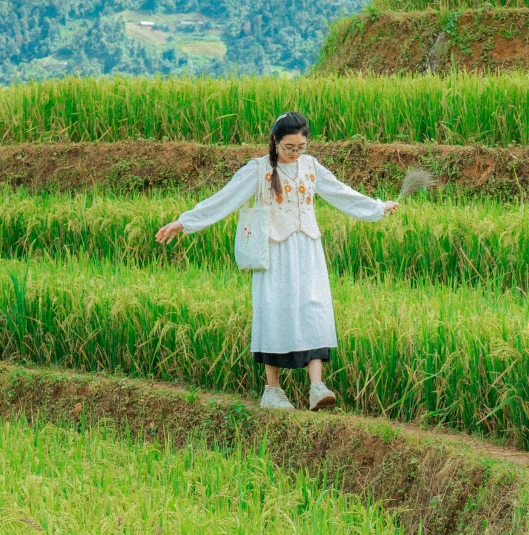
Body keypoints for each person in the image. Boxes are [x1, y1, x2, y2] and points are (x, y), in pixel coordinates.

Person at [155, 110, 395, 410]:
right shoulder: (258, 171)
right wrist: (185, 222)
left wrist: (377, 207)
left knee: (314, 307)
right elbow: (223, 199)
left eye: (300, 148)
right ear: (275, 141)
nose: (295, 153)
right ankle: (272, 390)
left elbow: (341, 193)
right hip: (274, 251)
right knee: (274, 309)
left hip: (308, 248)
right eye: (289, 148)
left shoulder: (311, 166)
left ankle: (317, 386)